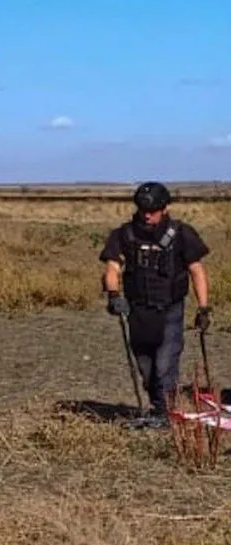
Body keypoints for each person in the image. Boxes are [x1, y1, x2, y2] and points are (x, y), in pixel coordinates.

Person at [99, 181, 211, 427]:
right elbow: (112, 267)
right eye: (143, 209)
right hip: (138, 310)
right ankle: (159, 408)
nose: (147, 214)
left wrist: (203, 308)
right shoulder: (124, 234)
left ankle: (166, 413)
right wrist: (114, 295)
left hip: (170, 308)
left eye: (153, 209)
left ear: (165, 207)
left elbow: (196, 270)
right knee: (146, 367)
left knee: (164, 364)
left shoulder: (182, 234)